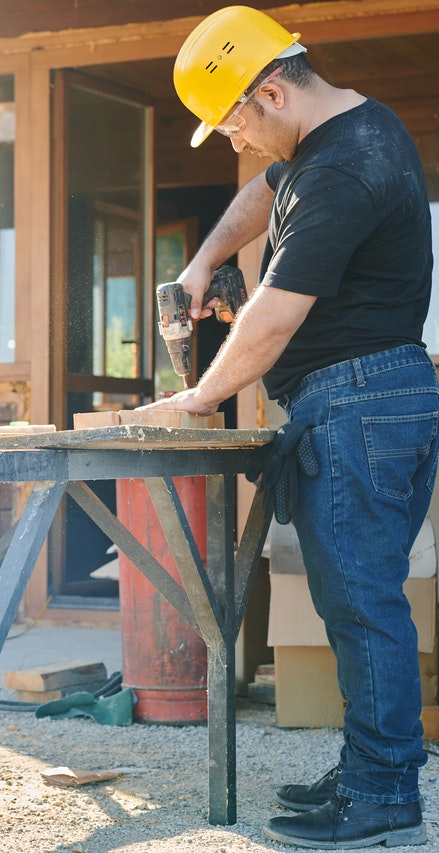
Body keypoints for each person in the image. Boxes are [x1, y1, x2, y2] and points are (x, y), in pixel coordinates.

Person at [144, 6, 437, 849]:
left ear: (270, 90)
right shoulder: (343, 136)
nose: (238, 139)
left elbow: (270, 318)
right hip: (366, 396)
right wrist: (200, 263)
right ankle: (369, 769)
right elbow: (255, 197)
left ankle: (383, 793)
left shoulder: (341, 168)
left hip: (357, 400)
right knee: (358, 599)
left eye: (236, 121)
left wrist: (196, 397)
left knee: (361, 604)